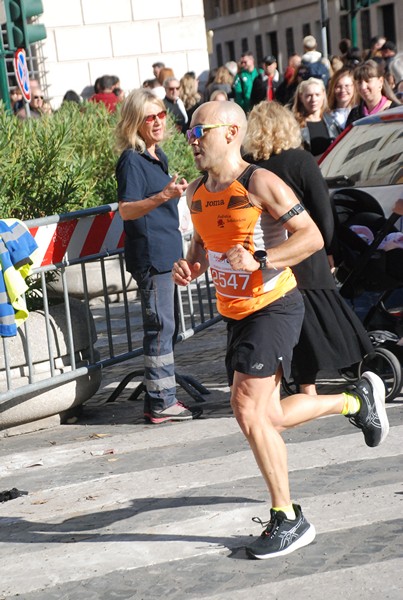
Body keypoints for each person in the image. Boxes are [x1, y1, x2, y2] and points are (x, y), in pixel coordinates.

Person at [172, 99, 388, 559]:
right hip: (236, 312)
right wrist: (189, 267)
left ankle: (289, 518)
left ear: (230, 133)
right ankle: (355, 399)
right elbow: (201, 246)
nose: (191, 140)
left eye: (199, 131)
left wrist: (262, 260)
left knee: (246, 409)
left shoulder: (261, 182)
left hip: (274, 306)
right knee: (267, 417)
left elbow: (312, 236)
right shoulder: (196, 192)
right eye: (188, 133)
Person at [244, 101, 373, 394]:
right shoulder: (300, 161)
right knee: (322, 324)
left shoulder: (251, 168)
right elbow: (323, 212)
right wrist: (329, 249)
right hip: (306, 253)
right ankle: (319, 384)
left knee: (284, 322)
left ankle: (298, 386)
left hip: (269, 257)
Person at [115, 89, 202, 424]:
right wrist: (163, 194)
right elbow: (127, 209)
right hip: (150, 256)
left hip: (166, 254)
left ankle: (160, 399)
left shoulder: (156, 155)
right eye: (149, 117)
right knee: (160, 327)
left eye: (161, 115)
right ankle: (162, 401)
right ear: (136, 122)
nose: (157, 122)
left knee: (167, 326)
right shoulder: (132, 160)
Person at [292, 77, 341, 158]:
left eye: (317, 95)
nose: (313, 99)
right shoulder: (294, 125)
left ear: (323, 95)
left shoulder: (332, 122)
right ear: (301, 97)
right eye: (309, 96)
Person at [346, 60, 401, 126]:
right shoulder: (355, 114)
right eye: (359, 82)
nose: (363, 87)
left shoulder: (396, 111)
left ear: (380, 81)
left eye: (367, 81)